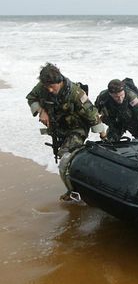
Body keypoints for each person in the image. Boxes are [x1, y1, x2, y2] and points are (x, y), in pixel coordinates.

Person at [26, 63, 106, 201]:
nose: (50, 90)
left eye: (52, 86)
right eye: (47, 87)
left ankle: (74, 191)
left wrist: (103, 135)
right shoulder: (42, 87)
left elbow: (92, 114)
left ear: (60, 81)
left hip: (77, 128)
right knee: (66, 155)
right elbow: (31, 98)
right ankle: (80, 181)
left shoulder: (76, 93)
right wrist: (41, 111)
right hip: (59, 128)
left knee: (65, 156)